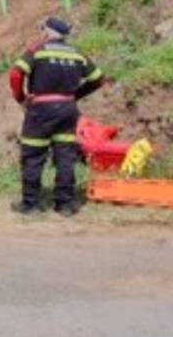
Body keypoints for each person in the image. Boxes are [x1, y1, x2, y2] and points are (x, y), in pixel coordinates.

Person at [7, 17, 105, 217]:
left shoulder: (38, 50)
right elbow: (98, 78)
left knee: (33, 156)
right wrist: (74, 95)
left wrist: (21, 98)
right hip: (67, 111)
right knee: (65, 158)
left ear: (47, 31)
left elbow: (16, 74)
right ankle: (65, 205)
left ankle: (31, 204)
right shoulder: (77, 54)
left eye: (42, 29)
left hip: (40, 110)